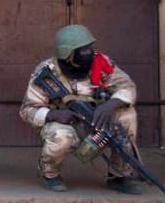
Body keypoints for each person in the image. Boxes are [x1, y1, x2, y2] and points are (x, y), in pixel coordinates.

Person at [19, 24, 143, 195]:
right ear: (68, 55)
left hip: (98, 120)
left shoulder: (101, 62)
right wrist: (54, 114)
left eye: (90, 47)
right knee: (61, 136)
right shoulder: (47, 72)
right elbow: (27, 110)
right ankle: (49, 174)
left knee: (127, 116)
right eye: (84, 50)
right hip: (65, 124)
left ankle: (118, 176)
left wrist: (110, 105)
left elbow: (127, 86)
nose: (91, 53)